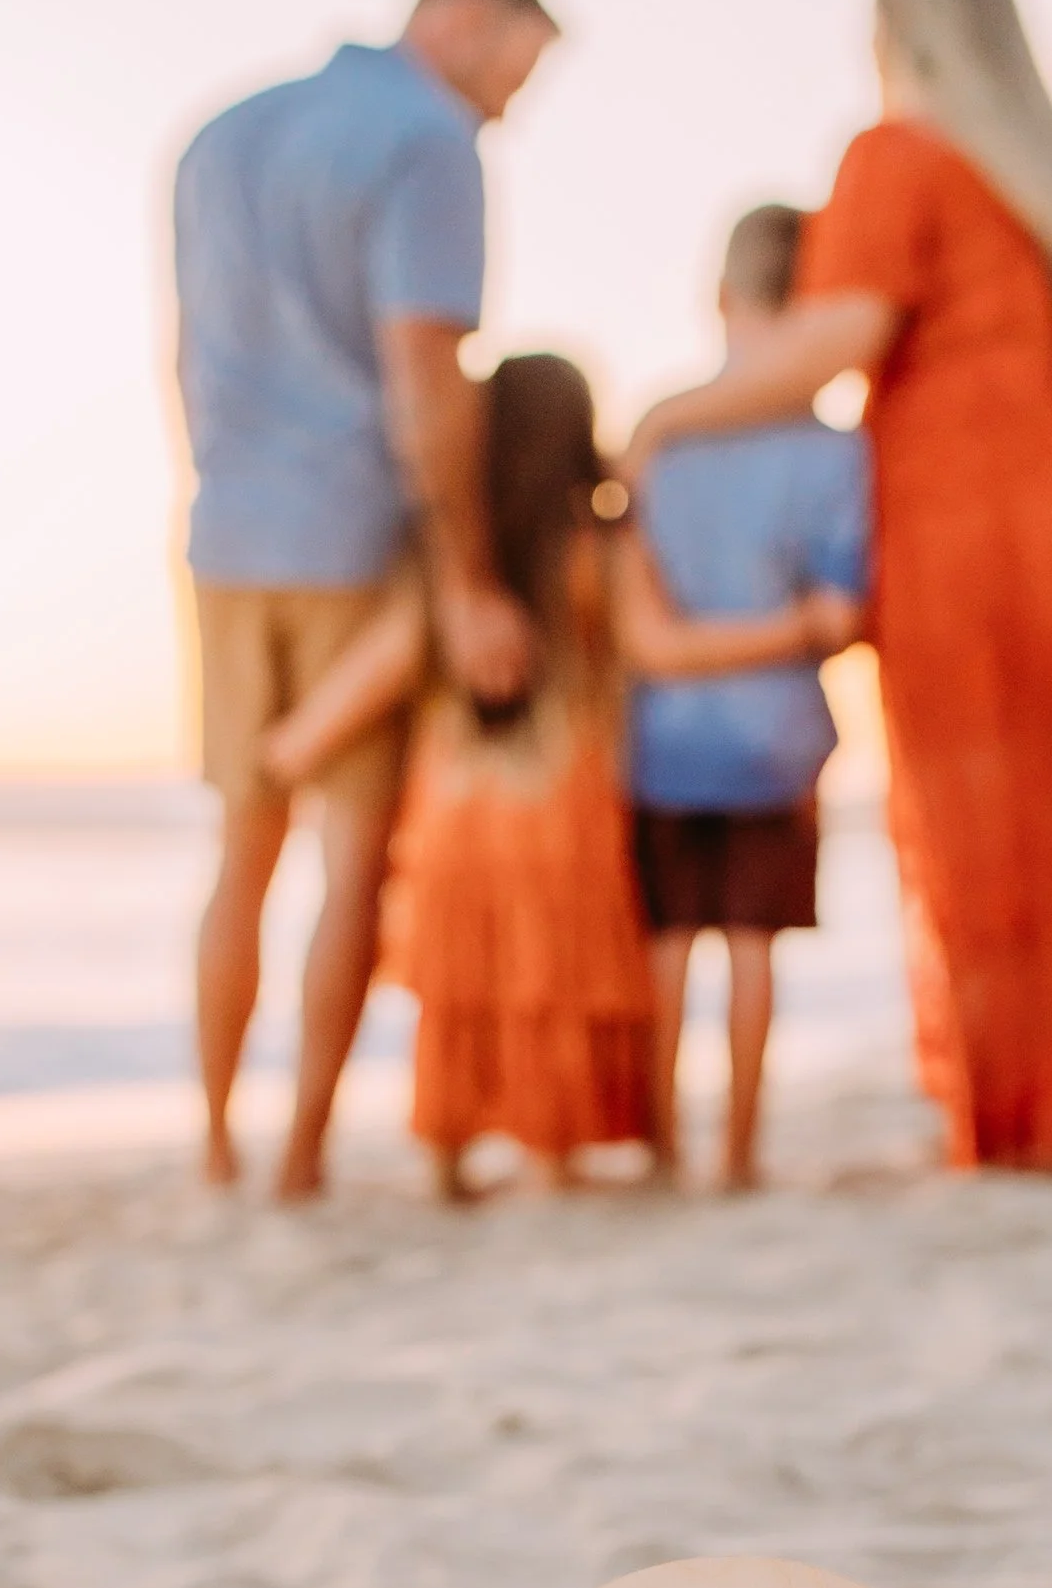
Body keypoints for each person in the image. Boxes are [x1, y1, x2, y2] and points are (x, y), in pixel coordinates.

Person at [627, 0, 1052, 1174]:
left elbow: (838, 341)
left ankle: (1017, 1120)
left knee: (982, 843)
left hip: (969, 530)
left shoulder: (897, 157)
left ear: (892, 24)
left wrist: (668, 414)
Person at [261, 355, 860, 1200]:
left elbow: (382, 664)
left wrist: (291, 744)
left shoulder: (461, 572)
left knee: (464, 996)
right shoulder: (596, 549)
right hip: (562, 808)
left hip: (457, 816)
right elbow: (658, 646)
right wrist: (793, 629)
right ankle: (552, 1150)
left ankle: (450, 1155)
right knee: (553, 985)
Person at [172, 0, 558, 1197]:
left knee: (243, 846)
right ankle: (301, 1157)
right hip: (351, 534)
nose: (511, 104)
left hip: (228, 530)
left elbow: (184, 354)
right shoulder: (427, 141)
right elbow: (425, 377)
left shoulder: (220, 134)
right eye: (517, 65)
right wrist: (468, 578)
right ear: (458, 20)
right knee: (352, 859)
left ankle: (220, 1150)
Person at [630, 206, 869, 1189]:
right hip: (776, 738)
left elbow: (627, 593)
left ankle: (660, 1143)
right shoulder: (834, 455)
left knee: (669, 942)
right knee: (752, 947)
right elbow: (840, 612)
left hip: (664, 736)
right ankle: (737, 1150)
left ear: (720, 298)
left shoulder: (662, 439)